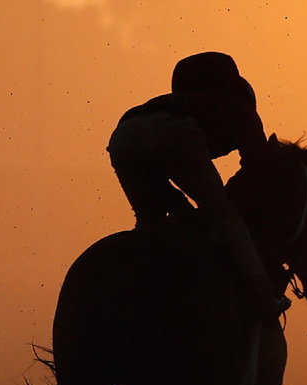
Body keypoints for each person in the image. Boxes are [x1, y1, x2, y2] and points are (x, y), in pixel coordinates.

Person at [107, 52, 290, 319]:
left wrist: (188, 212)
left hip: (123, 133)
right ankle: (264, 297)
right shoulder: (239, 106)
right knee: (225, 217)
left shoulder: (179, 103)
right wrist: (226, 202)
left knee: (151, 220)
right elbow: (258, 169)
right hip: (169, 132)